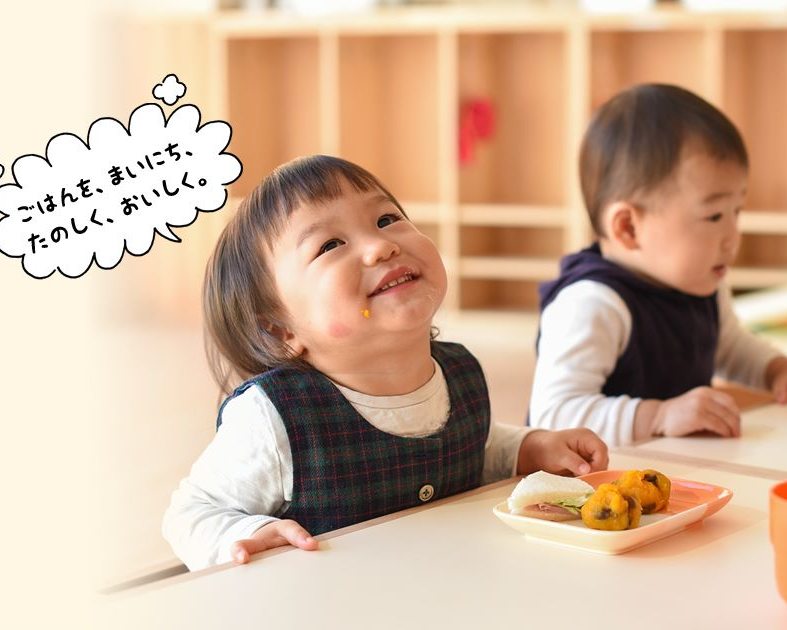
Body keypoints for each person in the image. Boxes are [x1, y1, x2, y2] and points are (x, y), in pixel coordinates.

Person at [164, 155, 608, 570]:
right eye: (330, 244)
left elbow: (471, 441)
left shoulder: (458, 373)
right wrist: (246, 533)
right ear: (281, 332)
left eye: (387, 219)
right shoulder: (274, 419)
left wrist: (526, 448)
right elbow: (190, 513)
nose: (380, 246)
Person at [529, 84, 787, 447]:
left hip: (670, 480)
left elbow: (729, 346)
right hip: (588, 492)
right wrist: (659, 416)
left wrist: (778, 371)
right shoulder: (592, 304)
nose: (733, 236)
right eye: (714, 215)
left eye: (737, 211)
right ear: (628, 227)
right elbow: (553, 415)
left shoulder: (701, 284)